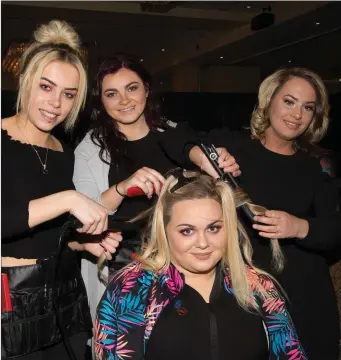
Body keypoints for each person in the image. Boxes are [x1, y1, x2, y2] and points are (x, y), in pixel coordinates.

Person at [73, 54, 240, 325]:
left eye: (132, 88)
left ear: (147, 90)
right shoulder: (91, 148)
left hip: (183, 263)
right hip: (121, 265)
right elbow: (83, 212)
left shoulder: (173, 135)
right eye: (112, 94)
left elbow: (206, 193)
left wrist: (218, 164)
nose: (124, 101)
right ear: (101, 102)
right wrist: (122, 188)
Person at [188, 67, 340, 359]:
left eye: (308, 107)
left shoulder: (313, 167)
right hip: (245, 294)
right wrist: (202, 156)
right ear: (269, 101)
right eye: (289, 101)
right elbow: (175, 140)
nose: (297, 114)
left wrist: (299, 227)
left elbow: (334, 232)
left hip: (305, 297)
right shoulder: (234, 149)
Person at [1, 20, 121, 360]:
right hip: (11, 305)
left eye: (68, 94)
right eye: (46, 86)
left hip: (66, 299)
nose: (56, 103)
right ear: (24, 80)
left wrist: (82, 242)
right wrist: (67, 199)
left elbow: (49, 232)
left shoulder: (63, 152)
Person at [95, 170, 307, 360]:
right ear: (164, 231)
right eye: (187, 231)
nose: (203, 243)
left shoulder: (259, 288)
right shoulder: (132, 289)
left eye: (214, 228)